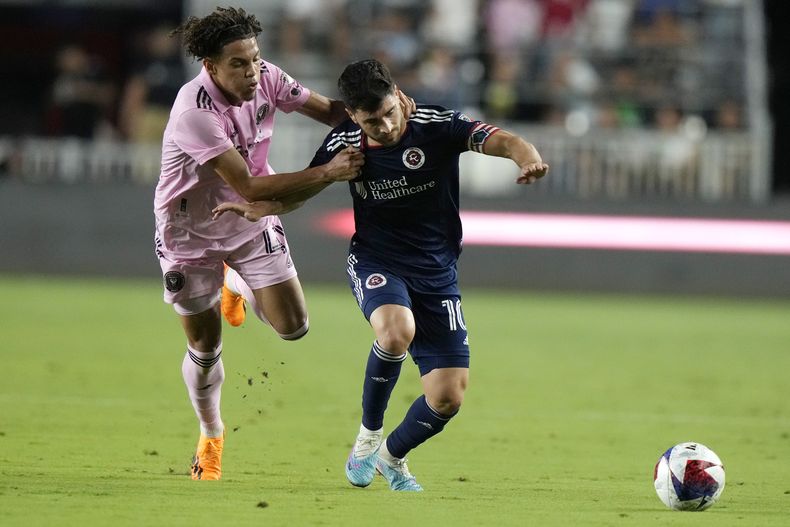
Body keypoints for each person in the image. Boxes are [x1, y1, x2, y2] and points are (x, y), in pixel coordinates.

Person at [214, 59, 548, 491]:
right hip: (377, 261)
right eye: (373, 120)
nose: (387, 126)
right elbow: (305, 190)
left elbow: (502, 140)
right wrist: (266, 207)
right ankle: (368, 438)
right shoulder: (344, 143)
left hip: (437, 270)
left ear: (399, 96)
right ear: (353, 115)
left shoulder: (435, 124)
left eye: (390, 112)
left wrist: (529, 158)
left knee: (447, 398)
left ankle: (392, 458)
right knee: (395, 331)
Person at [155, 7, 414, 482]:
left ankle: (235, 278)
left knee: (294, 328)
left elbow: (335, 113)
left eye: (254, 59)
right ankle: (211, 434)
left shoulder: (268, 78)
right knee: (206, 345)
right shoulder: (195, 113)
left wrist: (386, 110)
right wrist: (328, 171)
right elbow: (251, 186)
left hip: (251, 221)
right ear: (210, 67)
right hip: (189, 234)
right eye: (238, 64)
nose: (252, 72)